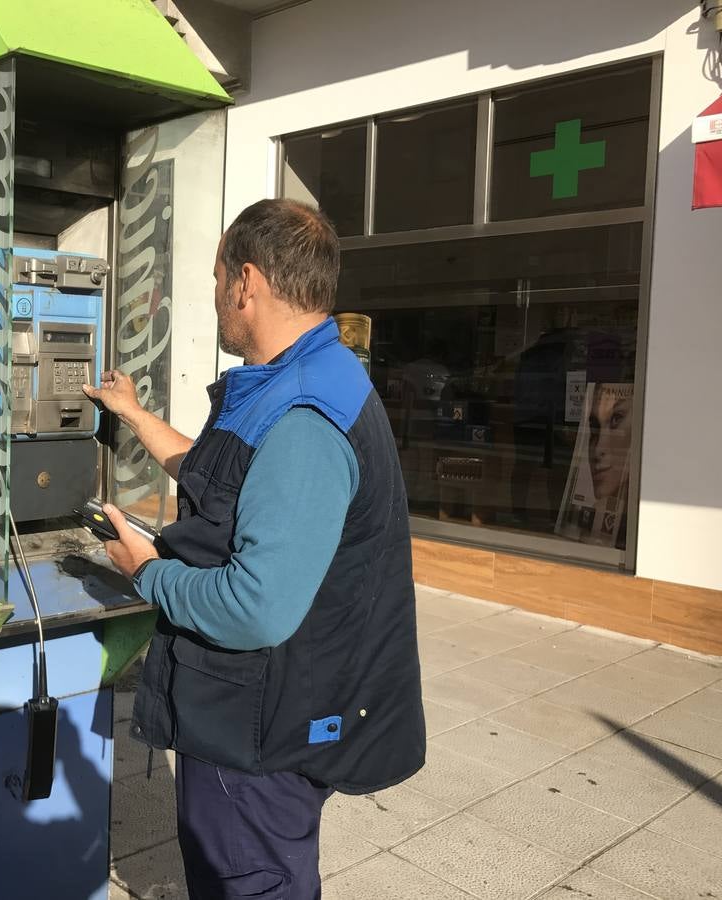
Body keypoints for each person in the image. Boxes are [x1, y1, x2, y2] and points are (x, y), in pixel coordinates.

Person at [83, 199, 425, 899]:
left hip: (260, 732)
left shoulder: (304, 416)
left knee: (250, 880)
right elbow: (224, 477)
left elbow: (256, 608)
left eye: (216, 282)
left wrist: (148, 573)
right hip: (266, 712)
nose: (215, 299)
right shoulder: (300, 379)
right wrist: (135, 415)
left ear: (246, 282)